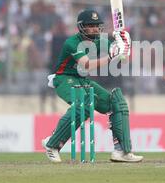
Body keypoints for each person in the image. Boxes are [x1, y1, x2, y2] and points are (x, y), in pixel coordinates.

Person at [42, 9, 143, 163]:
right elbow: (87, 65)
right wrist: (111, 56)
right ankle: (52, 145)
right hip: (64, 79)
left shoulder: (100, 40)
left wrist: (125, 46)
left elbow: (123, 60)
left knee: (117, 102)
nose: (95, 28)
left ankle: (121, 151)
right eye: (91, 25)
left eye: (97, 25)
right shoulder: (72, 43)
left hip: (83, 80)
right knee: (83, 104)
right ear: (81, 27)